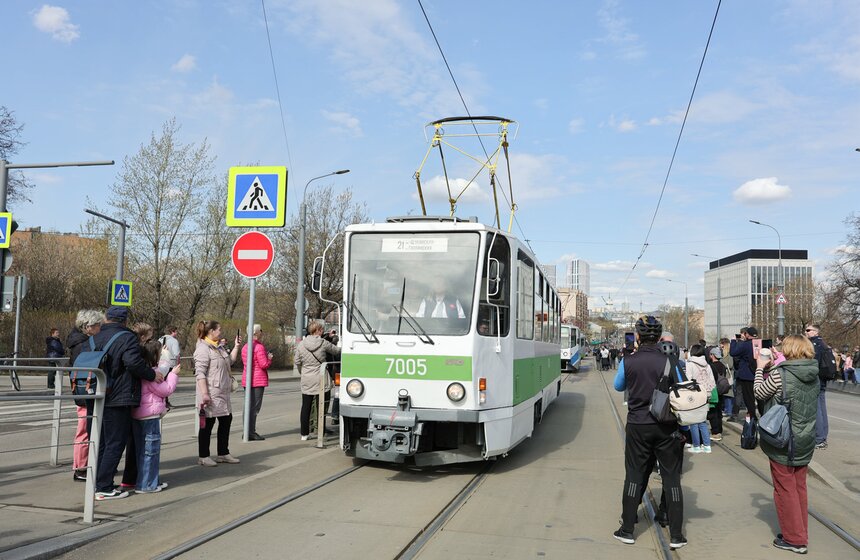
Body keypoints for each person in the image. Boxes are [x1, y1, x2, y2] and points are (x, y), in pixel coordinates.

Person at [612, 315, 687, 550]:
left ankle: (627, 530)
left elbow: (618, 386)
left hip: (638, 426)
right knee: (672, 478)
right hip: (667, 427)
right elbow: (683, 388)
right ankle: (676, 535)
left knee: (634, 475)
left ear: (637, 336)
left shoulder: (629, 361)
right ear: (659, 337)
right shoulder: (671, 361)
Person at [754, 334, 819, 554]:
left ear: (788, 350)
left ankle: (795, 539)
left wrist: (760, 368)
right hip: (805, 438)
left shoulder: (780, 374)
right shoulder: (813, 373)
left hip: (784, 439)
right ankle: (800, 532)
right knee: (799, 487)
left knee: (784, 488)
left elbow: (759, 392)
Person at [93, 306, 162, 500]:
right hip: (118, 395)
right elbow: (132, 363)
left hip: (97, 393)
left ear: (106, 318)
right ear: (124, 321)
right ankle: (104, 487)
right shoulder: (127, 337)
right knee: (116, 441)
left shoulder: (95, 336)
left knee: (103, 442)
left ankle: (97, 481)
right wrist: (151, 374)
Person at [132, 339, 179, 493]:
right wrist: (173, 375)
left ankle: (148, 481)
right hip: (150, 416)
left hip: (139, 414)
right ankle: (147, 484)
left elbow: (161, 368)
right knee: (150, 451)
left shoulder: (143, 370)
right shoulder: (151, 374)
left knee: (142, 451)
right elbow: (166, 389)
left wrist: (164, 356)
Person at [194, 320, 242, 466]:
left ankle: (223, 453)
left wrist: (236, 346)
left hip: (223, 392)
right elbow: (200, 373)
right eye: (218, 329)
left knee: (226, 420)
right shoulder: (203, 348)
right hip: (210, 393)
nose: (220, 332)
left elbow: (230, 361)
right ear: (211, 331)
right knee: (207, 424)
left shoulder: (218, 347)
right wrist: (204, 394)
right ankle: (204, 456)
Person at [65, 309, 105, 482]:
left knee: (86, 430)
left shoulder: (78, 342)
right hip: (85, 392)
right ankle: (80, 468)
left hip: (82, 390)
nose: (100, 329)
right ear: (88, 327)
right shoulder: (84, 345)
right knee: (84, 431)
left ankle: (84, 465)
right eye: (98, 326)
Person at [295, 320, 341, 441]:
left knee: (306, 406)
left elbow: (297, 361)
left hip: (306, 377)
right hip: (321, 377)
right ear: (318, 330)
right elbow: (336, 351)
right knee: (322, 405)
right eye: (321, 329)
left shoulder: (302, 344)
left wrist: (303, 371)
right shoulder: (323, 343)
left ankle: (304, 434)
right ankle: (321, 430)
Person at [241, 324, 272, 441]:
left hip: (247, 378)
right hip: (258, 380)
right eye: (260, 331)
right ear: (255, 333)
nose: (261, 333)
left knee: (247, 406)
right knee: (254, 407)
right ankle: (251, 432)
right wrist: (269, 358)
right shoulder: (258, 347)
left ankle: (246, 431)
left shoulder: (245, 346)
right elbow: (263, 364)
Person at [685, 344, 716, 453]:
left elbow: (687, 379)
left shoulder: (690, 364)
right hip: (706, 394)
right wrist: (707, 390)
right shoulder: (707, 365)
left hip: (695, 394)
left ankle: (696, 445)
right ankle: (707, 445)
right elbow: (712, 381)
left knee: (693, 420)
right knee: (702, 420)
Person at [804, 323, 830, 450]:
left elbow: (812, 363)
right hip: (823, 379)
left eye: (808, 330)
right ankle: (823, 436)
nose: (806, 332)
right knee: (822, 408)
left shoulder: (814, 344)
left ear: (816, 332)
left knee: (817, 409)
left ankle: (819, 438)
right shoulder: (823, 343)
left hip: (817, 379)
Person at [730, 326, 759, 424]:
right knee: (760, 397)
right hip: (758, 373)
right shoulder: (760, 343)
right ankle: (763, 415)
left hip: (746, 375)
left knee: (749, 397)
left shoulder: (745, 345)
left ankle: (752, 417)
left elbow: (733, 352)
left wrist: (734, 341)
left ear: (747, 335)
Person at [707, 346, 726, 442]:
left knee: (713, 412)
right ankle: (719, 430)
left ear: (713, 355)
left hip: (714, 391)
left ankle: (715, 432)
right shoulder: (722, 365)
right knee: (719, 412)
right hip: (721, 391)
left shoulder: (711, 366)